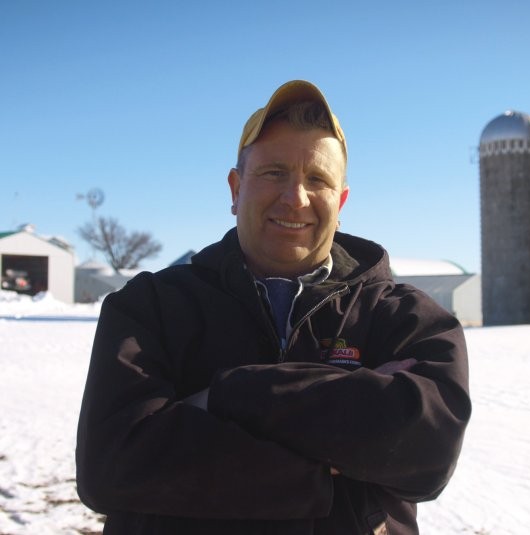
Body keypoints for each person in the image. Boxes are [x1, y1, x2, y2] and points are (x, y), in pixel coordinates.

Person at [76, 79, 471, 534]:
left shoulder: (404, 317)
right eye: (274, 172)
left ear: (340, 203)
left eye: (318, 179)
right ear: (235, 187)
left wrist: (226, 396)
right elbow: (110, 464)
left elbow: (426, 452)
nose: (295, 197)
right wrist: (325, 468)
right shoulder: (150, 306)